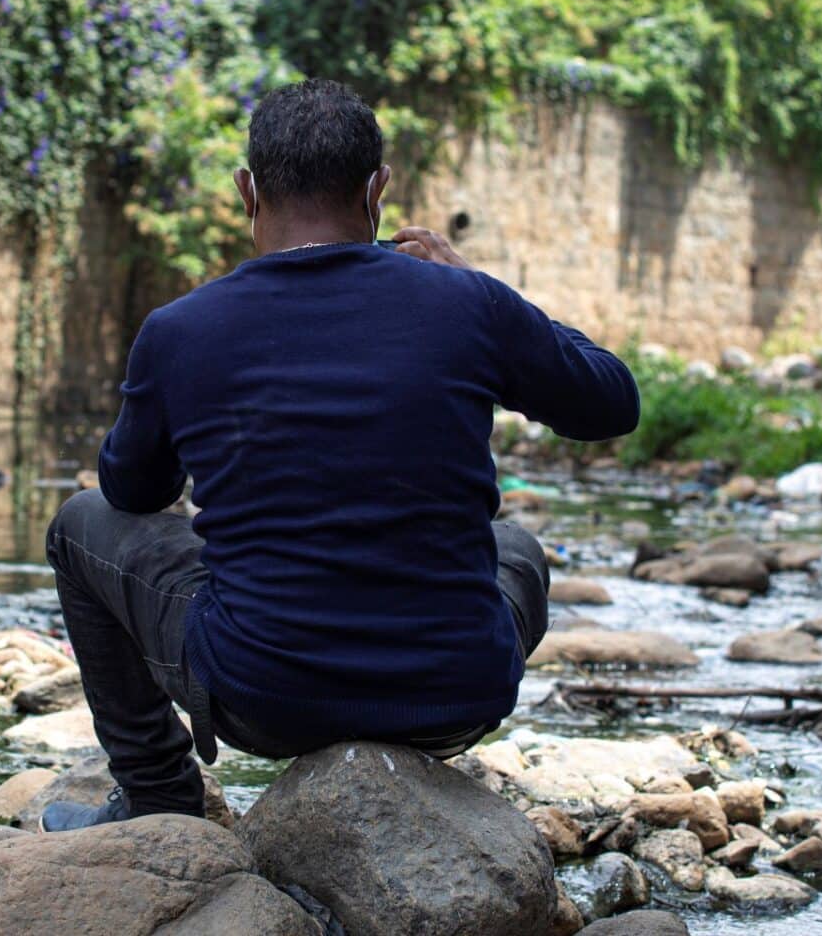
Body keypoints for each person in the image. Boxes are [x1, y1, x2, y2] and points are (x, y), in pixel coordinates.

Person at [40, 79, 640, 831]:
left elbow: (130, 490)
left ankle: (158, 797)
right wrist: (483, 289)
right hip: (456, 695)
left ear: (246, 192)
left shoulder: (180, 330)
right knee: (513, 545)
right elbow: (613, 401)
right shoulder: (467, 304)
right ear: (378, 189)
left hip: (263, 701)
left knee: (78, 523)